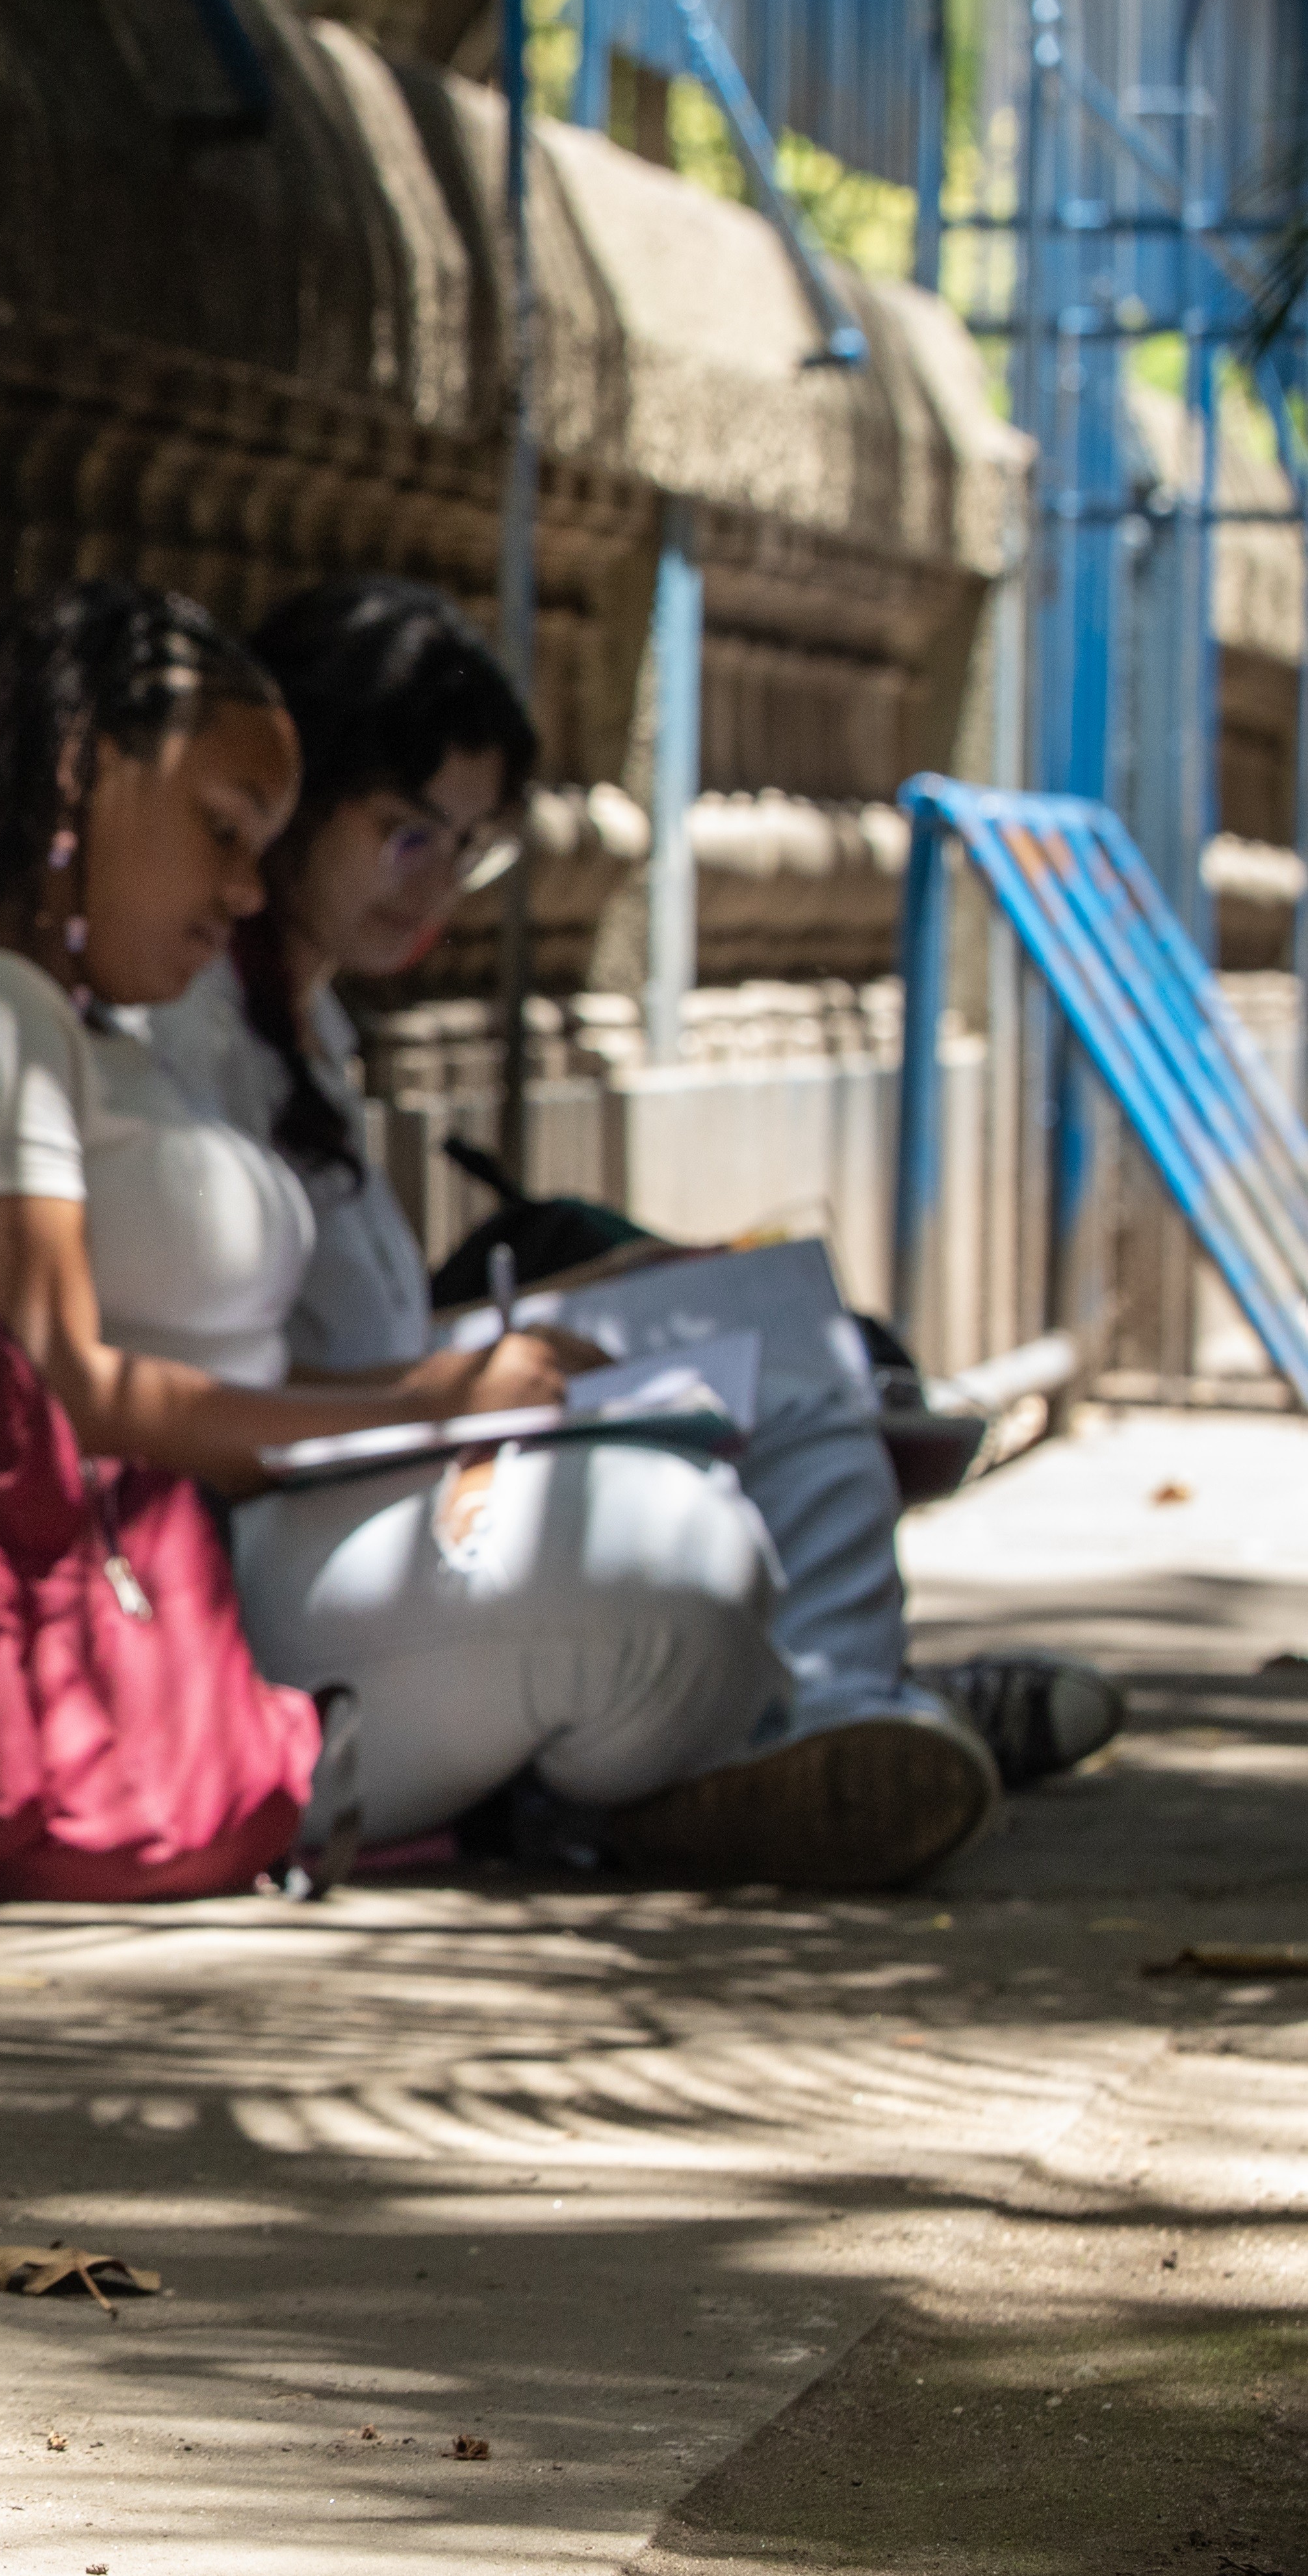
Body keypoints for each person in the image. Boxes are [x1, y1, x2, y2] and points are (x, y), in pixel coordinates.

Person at [0, 578, 807, 1860]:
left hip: (236, 1552)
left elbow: (200, 1377)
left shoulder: (75, 1020)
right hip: (132, 1610)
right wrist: (426, 1407)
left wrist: (434, 1401)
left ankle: (683, 1751)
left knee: (706, 1479)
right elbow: (40, 1403)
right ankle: (585, 1776)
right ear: (82, 781)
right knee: (676, 1561)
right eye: (222, 830)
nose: (250, 893)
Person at [138, 576, 1119, 1864]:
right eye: (403, 833)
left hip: (386, 1431)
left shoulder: (308, 1017)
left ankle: (837, 1709)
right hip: (277, 1523)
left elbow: (357, 1325)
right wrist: (450, 1387)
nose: (432, 888)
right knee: (677, 1529)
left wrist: (616, 1293)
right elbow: (195, 1382)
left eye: (469, 846)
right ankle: (806, 1723)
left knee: (781, 1319)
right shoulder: (169, 1013)